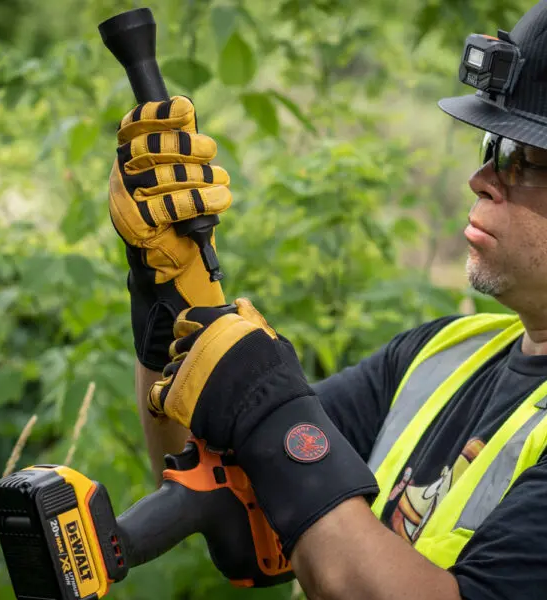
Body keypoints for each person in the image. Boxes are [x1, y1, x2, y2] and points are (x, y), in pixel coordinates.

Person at [109, 2, 547, 599]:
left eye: (526, 160)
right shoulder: (438, 357)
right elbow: (225, 487)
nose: (483, 177)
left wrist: (270, 407)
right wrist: (166, 296)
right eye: (492, 143)